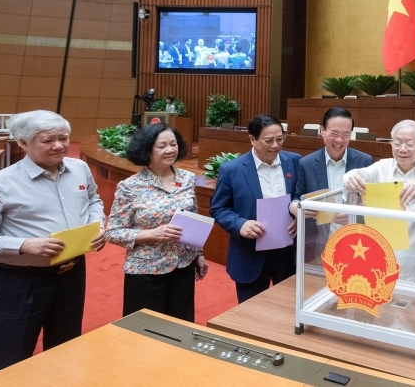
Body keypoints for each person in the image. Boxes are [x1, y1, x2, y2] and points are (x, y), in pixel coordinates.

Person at [0, 110, 106, 372]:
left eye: (63, 138)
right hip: (20, 282)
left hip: (72, 275)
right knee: (12, 361)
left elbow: (94, 199)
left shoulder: (79, 168)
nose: (59, 146)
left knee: (66, 353)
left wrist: (97, 224)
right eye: (48, 140)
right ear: (23, 143)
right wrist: (24, 245)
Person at [105, 123, 207, 321]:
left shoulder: (187, 178)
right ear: (146, 149)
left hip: (183, 267)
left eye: (173, 144)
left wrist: (199, 254)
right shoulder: (130, 186)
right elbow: (113, 232)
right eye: (162, 146)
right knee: (145, 330)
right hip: (146, 270)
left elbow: (193, 218)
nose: (170, 150)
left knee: (180, 326)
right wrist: (153, 234)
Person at [343, 119, 415, 283]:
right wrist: (350, 178)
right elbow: (355, 175)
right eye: (397, 144)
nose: (402, 149)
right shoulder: (382, 167)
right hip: (383, 262)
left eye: (409, 144)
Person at [210, 114, 302, 303]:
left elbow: (302, 195)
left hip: (288, 253)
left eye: (280, 139)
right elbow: (218, 208)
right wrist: (240, 225)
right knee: (251, 311)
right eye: (269, 140)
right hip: (250, 254)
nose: (275, 145)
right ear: (252, 139)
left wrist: (298, 215)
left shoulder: (295, 161)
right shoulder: (232, 170)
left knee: (289, 309)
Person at [296, 107, 374, 239]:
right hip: (318, 241)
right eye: (334, 134)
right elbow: (298, 198)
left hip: (355, 240)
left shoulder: (365, 161)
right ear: (322, 130)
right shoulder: (306, 163)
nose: (339, 140)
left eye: (346, 135)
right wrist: (295, 205)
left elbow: (374, 204)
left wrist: (355, 216)